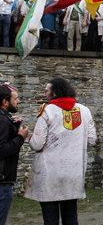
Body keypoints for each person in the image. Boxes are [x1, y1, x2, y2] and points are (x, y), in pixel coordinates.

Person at [24, 77, 97, 225]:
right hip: (73, 172)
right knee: (71, 218)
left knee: (50, 219)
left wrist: (27, 137)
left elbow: (37, 144)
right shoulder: (84, 110)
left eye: (46, 91)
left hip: (49, 174)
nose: (45, 94)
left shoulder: (47, 111)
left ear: (55, 92)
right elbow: (92, 140)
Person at [0, 83, 28, 225]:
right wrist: (21, 137)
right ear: (5, 102)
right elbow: (2, 149)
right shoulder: (2, 120)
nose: (17, 102)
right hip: (2, 180)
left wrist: (14, 126)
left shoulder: (5, 119)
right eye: (15, 99)